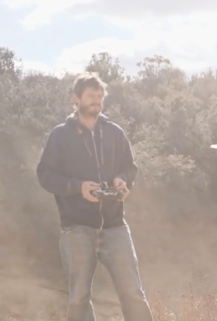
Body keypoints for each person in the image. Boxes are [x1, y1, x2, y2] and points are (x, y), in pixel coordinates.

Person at [36, 72, 154, 321]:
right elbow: (45, 175)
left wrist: (124, 180)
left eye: (99, 96)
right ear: (75, 98)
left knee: (133, 293)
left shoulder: (114, 132)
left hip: (115, 226)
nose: (96, 101)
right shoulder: (60, 135)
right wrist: (78, 187)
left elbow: (130, 167)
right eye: (91, 96)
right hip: (76, 229)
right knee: (78, 298)